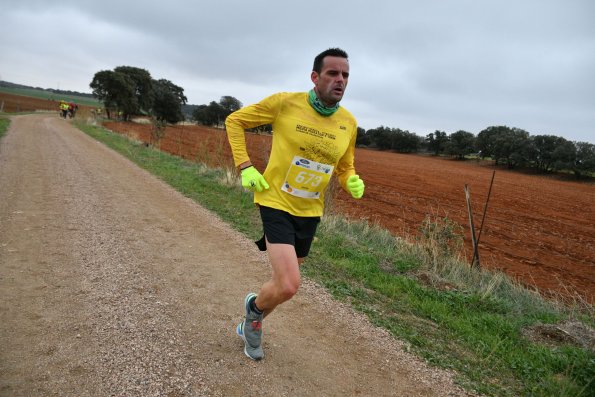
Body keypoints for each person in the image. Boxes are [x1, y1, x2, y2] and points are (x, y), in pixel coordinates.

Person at [225, 48, 365, 360]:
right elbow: (235, 121)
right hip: (275, 200)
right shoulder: (285, 103)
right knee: (289, 285)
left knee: (280, 284)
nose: (340, 80)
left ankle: (254, 312)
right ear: (315, 77)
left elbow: (346, 165)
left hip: (310, 210)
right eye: (332, 73)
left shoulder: (348, 123)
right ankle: (253, 317)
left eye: (345, 75)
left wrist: (350, 179)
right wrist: (245, 166)